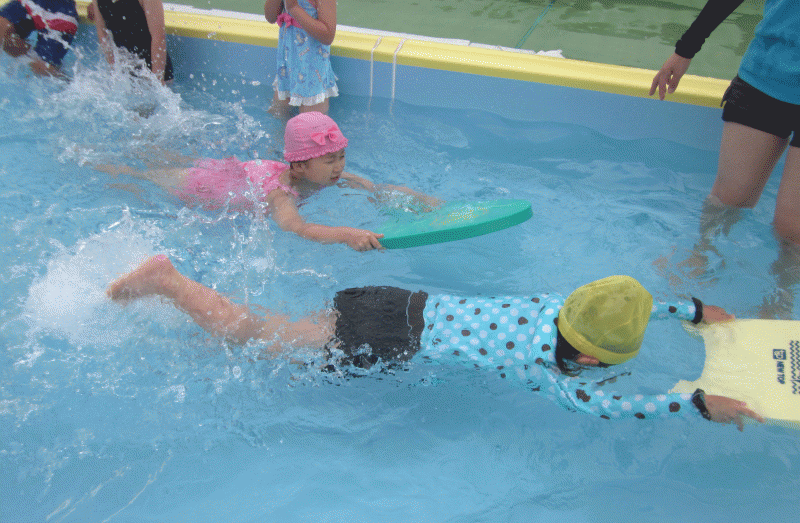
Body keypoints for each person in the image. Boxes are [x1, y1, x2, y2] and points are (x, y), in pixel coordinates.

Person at [107, 258, 764, 431]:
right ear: (590, 361)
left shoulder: (558, 303)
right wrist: (694, 404)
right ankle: (169, 283)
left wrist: (689, 309)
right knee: (260, 335)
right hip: (388, 338)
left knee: (277, 333)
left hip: (400, 303)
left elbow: (621, 304)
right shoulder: (549, 374)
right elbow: (611, 407)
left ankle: (187, 324)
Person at [100, 112, 440, 251]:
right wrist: (346, 234)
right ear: (300, 167)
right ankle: (107, 167)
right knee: (145, 177)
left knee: (165, 160)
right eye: (330, 160)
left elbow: (373, 188)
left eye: (341, 156)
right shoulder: (280, 194)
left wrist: (417, 199)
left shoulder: (324, 175)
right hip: (202, 187)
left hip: (238, 172)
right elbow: (297, 227)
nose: (339, 167)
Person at [649, 0, 799, 317]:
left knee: (791, 226)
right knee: (729, 198)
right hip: (766, 73)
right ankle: (702, 253)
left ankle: (781, 299)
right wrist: (685, 50)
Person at [264, 0, 338, 115]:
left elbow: (328, 36)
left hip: (312, 75)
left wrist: (294, 8)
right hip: (287, 70)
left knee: (310, 122)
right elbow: (270, 17)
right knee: (277, 114)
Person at [89, 0, 172, 83]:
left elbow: (158, 37)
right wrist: (114, 69)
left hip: (154, 68)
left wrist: (157, 79)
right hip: (126, 71)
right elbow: (103, 35)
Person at [0, 0, 78, 76]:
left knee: (43, 69)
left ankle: (67, 80)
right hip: (32, 2)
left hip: (62, 13)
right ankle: (30, 56)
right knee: (2, 30)